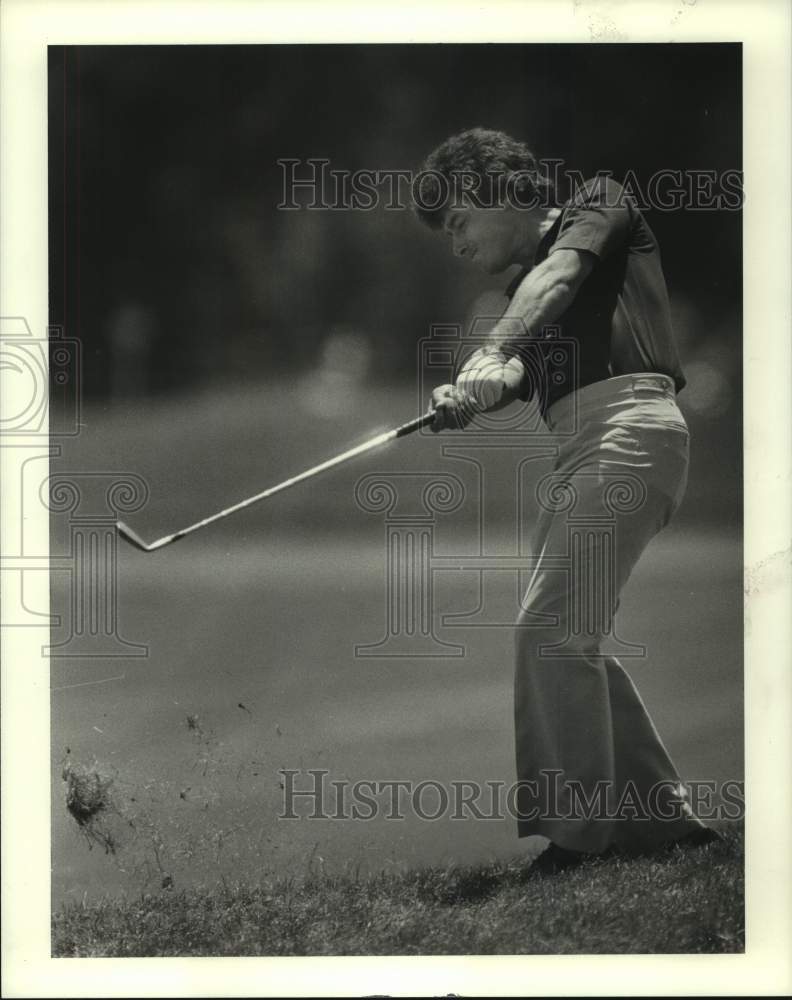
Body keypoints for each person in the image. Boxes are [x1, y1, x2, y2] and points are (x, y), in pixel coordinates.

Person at [413, 128, 721, 874]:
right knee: (569, 636)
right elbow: (515, 373)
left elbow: (559, 276)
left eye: (457, 222)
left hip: (631, 427)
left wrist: (494, 350)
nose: (454, 244)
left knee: (550, 629)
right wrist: (466, 395)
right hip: (579, 447)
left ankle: (576, 844)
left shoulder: (597, 204)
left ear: (501, 188)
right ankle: (667, 830)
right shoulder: (523, 289)